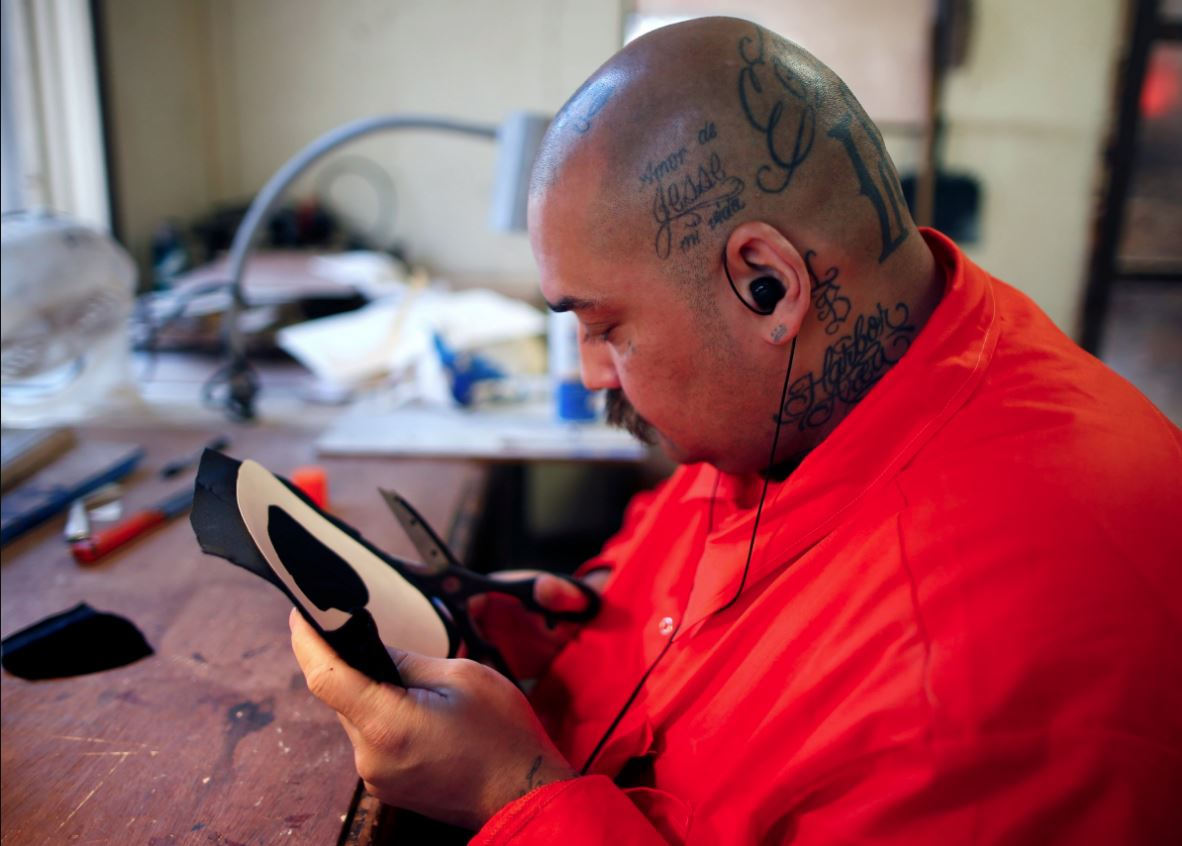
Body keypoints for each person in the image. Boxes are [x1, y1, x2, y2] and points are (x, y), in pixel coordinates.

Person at [289, 16, 1182, 843]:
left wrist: (510, 797)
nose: (594, 371)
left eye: (604, 327)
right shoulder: (852, 372)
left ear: (768, 283)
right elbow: (693, 549)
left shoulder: (965, 693)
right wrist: (577, 613)